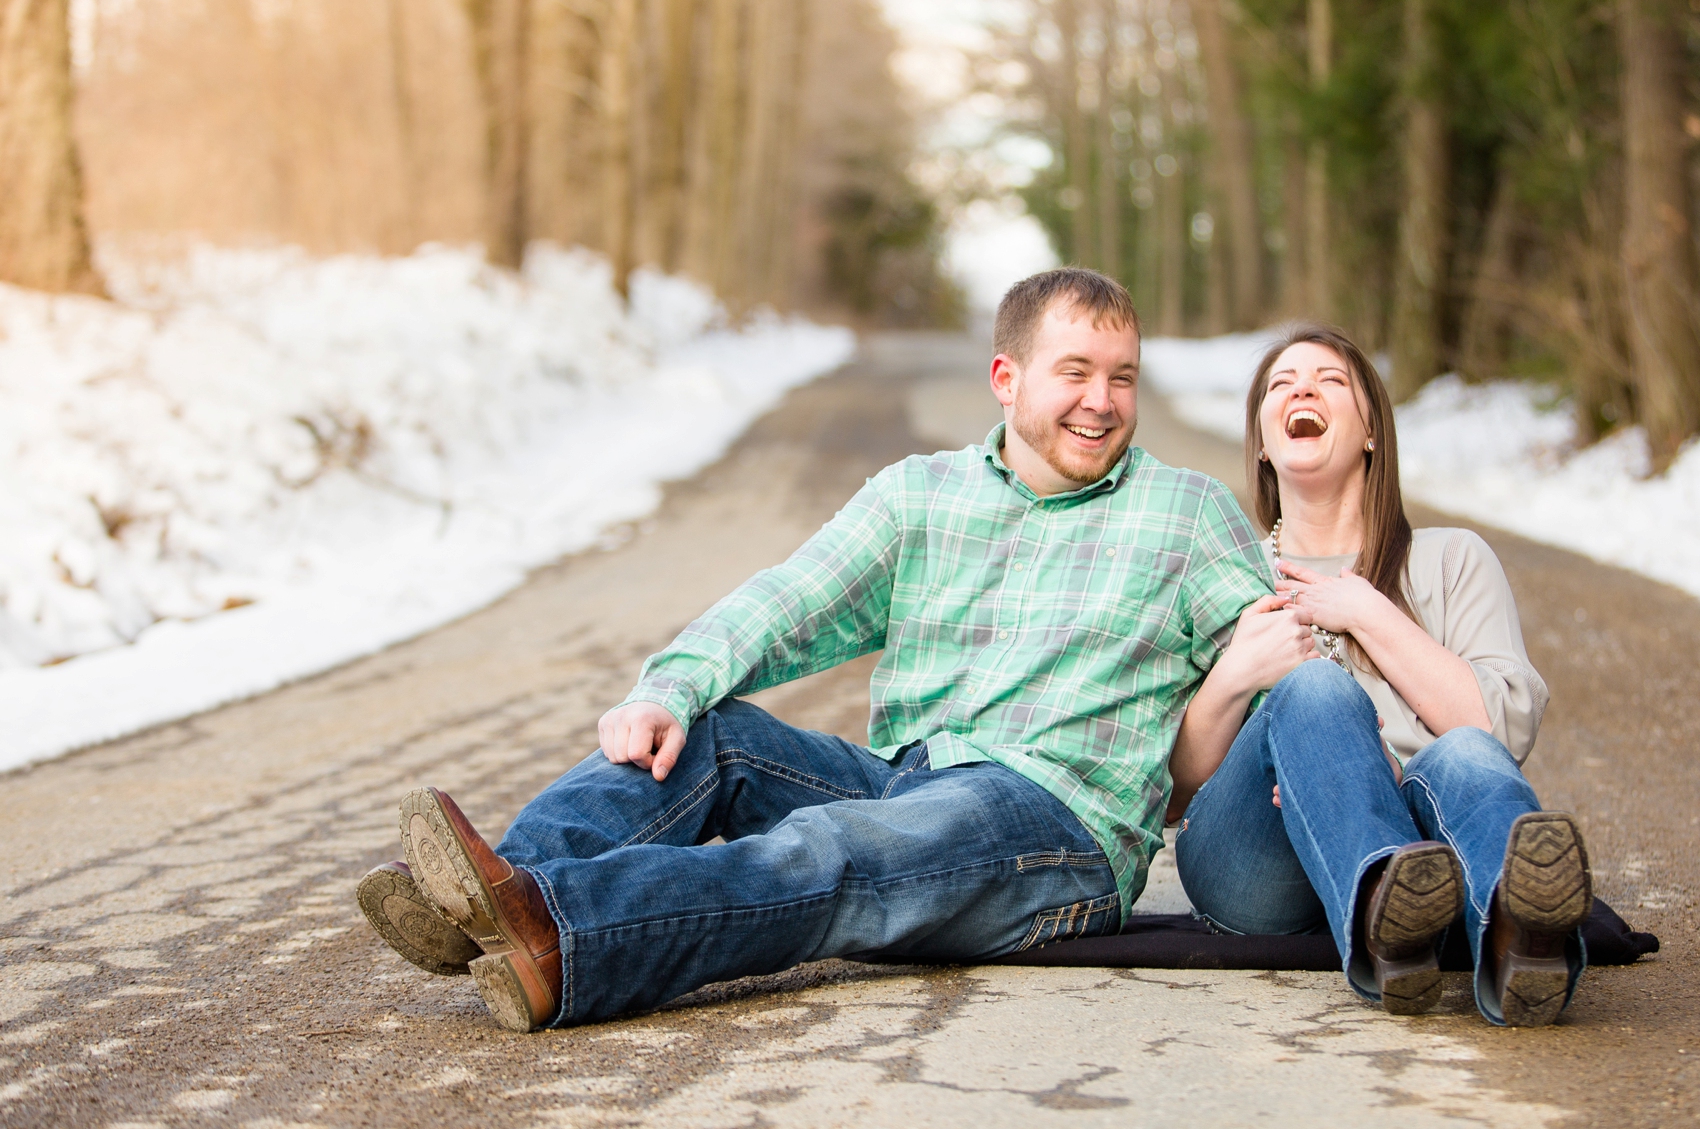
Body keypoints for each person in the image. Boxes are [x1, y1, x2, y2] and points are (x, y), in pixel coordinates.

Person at [356, 268, 1273, 1031]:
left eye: (1123, 377)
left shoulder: (1185, 512)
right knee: (714, 735)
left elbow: (1282, 671)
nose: (1103, 403)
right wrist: (669, 689)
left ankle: (565, 935)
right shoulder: (922, 494)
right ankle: (492, 900)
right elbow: (792, 598)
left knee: (830, 848)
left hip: (1055, 824)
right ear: (1006, 377)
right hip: (910, 780)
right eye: (1076, 372)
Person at [1168, 324, 1590, 1028]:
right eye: (1281, 384)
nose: (1302, 387)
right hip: (1251, 859)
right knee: (1313, 691)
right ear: (1264, 447)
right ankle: (1384, 901)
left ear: (1371, 432)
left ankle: (1520, 940)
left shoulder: (1453, 560)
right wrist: (1237, 676)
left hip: (1430, 830)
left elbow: (1498, 732)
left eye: (1331, 380)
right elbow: (1177, 787)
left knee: (1462, 753)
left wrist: (1368, 611)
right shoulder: (1225, 576)